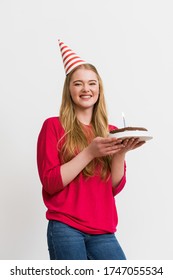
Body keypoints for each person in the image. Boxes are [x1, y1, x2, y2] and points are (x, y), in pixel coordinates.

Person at [37, 39, 145, 260]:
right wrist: (89, 152)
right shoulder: (53, 126)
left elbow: (112, 188)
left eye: (92, 83)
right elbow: (50, 183)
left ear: (99, 89)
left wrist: (120, 152)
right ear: (69, 90)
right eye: (78, 83)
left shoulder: (112, 131)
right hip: (66, 228)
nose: (86, 89)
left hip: (104, 230)